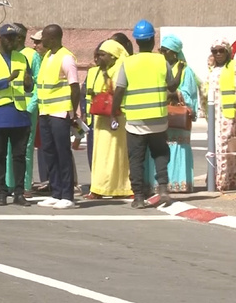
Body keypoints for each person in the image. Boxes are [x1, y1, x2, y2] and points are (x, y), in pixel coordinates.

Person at [111, 20, 182, 209]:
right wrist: (180, 70)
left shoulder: (128, 63)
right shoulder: (161, 61)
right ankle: (164, 190)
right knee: (160, 154)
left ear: (136, 41)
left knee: (136, 159)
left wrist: (114, 111)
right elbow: (172, 86)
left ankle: (139, 197)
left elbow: (119, 90)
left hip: (135, 121)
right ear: (152, 40)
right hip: (158, 119)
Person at [0, 25, 34, 206]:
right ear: (1, 38)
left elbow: (28, 86)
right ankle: (2, 192)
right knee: (0, 155)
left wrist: (28, 83)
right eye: (9, 38)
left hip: (19, 113)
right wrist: (8, 80)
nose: (13, 41)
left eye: (15, 38)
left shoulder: (22, 58)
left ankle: (19, 193)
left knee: (19, 156)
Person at [144, 35, 199, 194]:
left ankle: (179, 183)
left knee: (177, 148)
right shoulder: (160, 67)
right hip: (160, 115)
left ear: (174, 53)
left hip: (177, 118)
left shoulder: (185, 71)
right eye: (160, 50)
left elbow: (190, 95)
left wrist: (172, 94)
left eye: (165, 51)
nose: (161, 53)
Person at [36, 24, 79, 210]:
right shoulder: (47, 56)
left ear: (53, 39)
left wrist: (72, 112)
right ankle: (56, 191)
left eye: (44, 37)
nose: (41, 40)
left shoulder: (66, 58)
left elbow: (74, 87)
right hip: (45, 111)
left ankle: (67, 194)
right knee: (49, 152)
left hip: (60, 112)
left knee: (63, 153)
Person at [85, 40, 132, 199]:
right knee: (100, 155)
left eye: (103, 55)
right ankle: (98, 188)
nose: (100, 58)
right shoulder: (98, 70)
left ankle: (121, 188)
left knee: (117, 155)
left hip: (117, 117)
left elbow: (119, 90)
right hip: (101, 118)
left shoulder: (121, 68)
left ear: (113, 56)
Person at [206, 37, 236, 191]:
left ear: (227, 51)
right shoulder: (212, 68)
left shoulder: (234, 67)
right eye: (214, 51)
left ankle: (223, 182)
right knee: (217, 148)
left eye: (221, 50)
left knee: (225, 148)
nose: (218, 54)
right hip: (214, 115)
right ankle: (230, 180)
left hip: (228, 115)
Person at [6, 23, 41, 197]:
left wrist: (31, 107)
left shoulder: (32, 56)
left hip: (26, 108)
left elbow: (38, 84)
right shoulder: (7, 56)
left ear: (19, 38)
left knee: (25, 147)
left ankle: (25, 185)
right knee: (9, 147)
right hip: (9, 106)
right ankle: (9, 183)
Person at [30, 30, 49, 189]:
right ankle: (46, 180)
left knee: (55, 146)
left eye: (38, 42)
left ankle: (64, 182)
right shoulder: (38, 58)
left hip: (54, 109)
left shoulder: (57, 59)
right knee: (42, 145)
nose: (34, 45)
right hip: (40, 108)